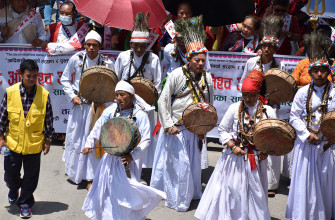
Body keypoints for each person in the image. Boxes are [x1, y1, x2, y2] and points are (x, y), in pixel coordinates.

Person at [150, 16, 214, 212]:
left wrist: (205, 127)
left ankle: (192, 193)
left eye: (203, 59)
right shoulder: (176, 75)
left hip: (194, 130)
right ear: (188, 59)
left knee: (191, 166)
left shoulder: (208, 78)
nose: (201, 63)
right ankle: (175, 196)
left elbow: (209, 104)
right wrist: (169, 125)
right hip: (176, 128)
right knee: (177, 166)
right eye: (197, 60)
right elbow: (163, 100)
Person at [195, 69, 276, 220]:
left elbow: (273, 135)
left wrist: (266, 150)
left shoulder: (268, 111)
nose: (248, 98)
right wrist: (232, 146)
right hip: (234, 156)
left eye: (252, 95)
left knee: (255, 190)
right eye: (245, 95)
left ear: (258, 93)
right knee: (233, 189)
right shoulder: (234, 108)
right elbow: (222, 129)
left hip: (257, 157)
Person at [81, 80, 166, 220]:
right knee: (108, 189)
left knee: (127, 192)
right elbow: (98, 128)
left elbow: (146, 140)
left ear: (132, 96)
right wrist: (88, 144)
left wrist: (133, 156)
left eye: (122, 94)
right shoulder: (110, 111)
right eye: (117, 94)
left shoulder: (140, 115)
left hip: (129, 159)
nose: (119, 98)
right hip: (110, 157)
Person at [286, 32, 335, 220]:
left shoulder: (334, 92)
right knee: (305, 182)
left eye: (323, 70)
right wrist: (307, 135)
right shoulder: (301, 93)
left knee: (326, 181)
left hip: (330, 144)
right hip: (307, 143)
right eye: (316, 71)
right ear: (310, 72)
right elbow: (294, 117)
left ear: (328, 71)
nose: (320, 74)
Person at [0, 59, 54, 219]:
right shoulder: (10, 93)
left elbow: (49, 120)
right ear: (21, 74)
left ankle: (25, 204)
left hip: (34, 145)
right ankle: (13, 187)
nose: (32, 79)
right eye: (29, 76)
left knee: (31, 178)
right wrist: (1, 139)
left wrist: (48, 140)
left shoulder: (44, 95)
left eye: (35, 76)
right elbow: (2, 119)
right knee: (10, 175)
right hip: (13, 144)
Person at [60, 30, 115, 186]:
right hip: (80, 107)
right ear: (84, 45)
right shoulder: (76, 59)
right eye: (88, 44)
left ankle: (92, 177)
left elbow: (113, 86)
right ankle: (76, 172)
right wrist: (73, 96)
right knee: (77, 139)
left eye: (95, 45)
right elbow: (65, 79)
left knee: (94, 141)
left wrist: (104, 102)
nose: (91, 48)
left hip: (97, 109)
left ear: (100, 46)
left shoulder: (107, 63)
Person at [240, 15, 285, 197]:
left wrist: (275, 100)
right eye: (264, 46)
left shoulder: (279, 64)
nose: (266, 49)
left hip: (270, 108)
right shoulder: (251, 62)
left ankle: (271, 183)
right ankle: (249, 176)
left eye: (270, 47)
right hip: (252, 105)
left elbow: (282, 87)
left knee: (270, 141)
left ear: (275, 49)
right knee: (251, 140)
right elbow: (243, 82)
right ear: (260, 46)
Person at [115, 12, 162, 169]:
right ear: (131, 44)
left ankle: (141, 169)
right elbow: (117, 79)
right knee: (125, 135)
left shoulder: (153, 58)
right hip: (126, 104)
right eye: (137, 45)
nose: (140, 49)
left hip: (146, 106)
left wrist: (149, 100)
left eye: (143, 46)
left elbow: (158, 85)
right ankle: (122, 166)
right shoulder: (123, 57)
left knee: (143, 138)